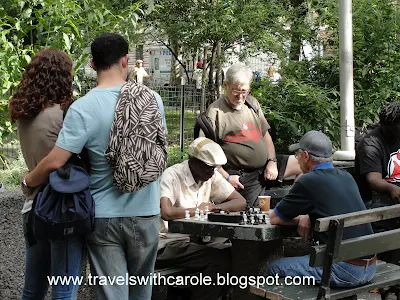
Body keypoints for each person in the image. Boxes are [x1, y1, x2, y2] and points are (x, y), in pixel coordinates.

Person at [22, 33, 162, 300]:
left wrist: (28, 181)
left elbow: (56, 161)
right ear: (125, 61)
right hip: (147, 210)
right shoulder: (152, 99)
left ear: (92, 64)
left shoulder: (82, 108)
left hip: (104, 215)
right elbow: (158, 151)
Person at [9, 49, 84, 299]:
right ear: (62, 77)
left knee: (33, 288)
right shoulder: (63, 116)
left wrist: (27, 180)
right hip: (61, 211)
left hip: (33, 208)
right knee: (64, 290)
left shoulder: (24, 115)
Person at [266, 130, 376, 288]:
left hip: (344, 270)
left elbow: (275, 218)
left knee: (275, 268)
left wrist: (303, 217)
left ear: (305, 156)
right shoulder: (346, 176)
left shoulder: (308, 181)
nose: (297, 159)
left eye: (297, 155)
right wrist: (306, 216)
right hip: (370, 267)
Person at [157, 137, 246, 300]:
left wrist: (217, 207)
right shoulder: (172, 175)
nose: (211, 173)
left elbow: (241, 201)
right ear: (193, 161)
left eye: (214, 168)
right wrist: (196, 210)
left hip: (197, 241)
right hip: (167, 243)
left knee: (235, 254)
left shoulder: (210, 175)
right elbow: (167, 212)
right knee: (218, 260)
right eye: (207, 168)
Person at [205, 63, 302, 207]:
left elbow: (265, 135)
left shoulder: (252, 103)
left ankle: (295, 207)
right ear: (225, 85)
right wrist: (227, 178)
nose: (240, 96)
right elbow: (206, 155)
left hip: (266, 167)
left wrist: (272, 161)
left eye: (244, 91)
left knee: (305, 164)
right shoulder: (215, 112)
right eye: (235, 91)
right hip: (241, 175)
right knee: (251, 213)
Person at [355, 102, 400, 206]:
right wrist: (391, 188)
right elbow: (374, 180)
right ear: (387, 125)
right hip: (376, 201)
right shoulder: (370, 145)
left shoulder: (397, 136)